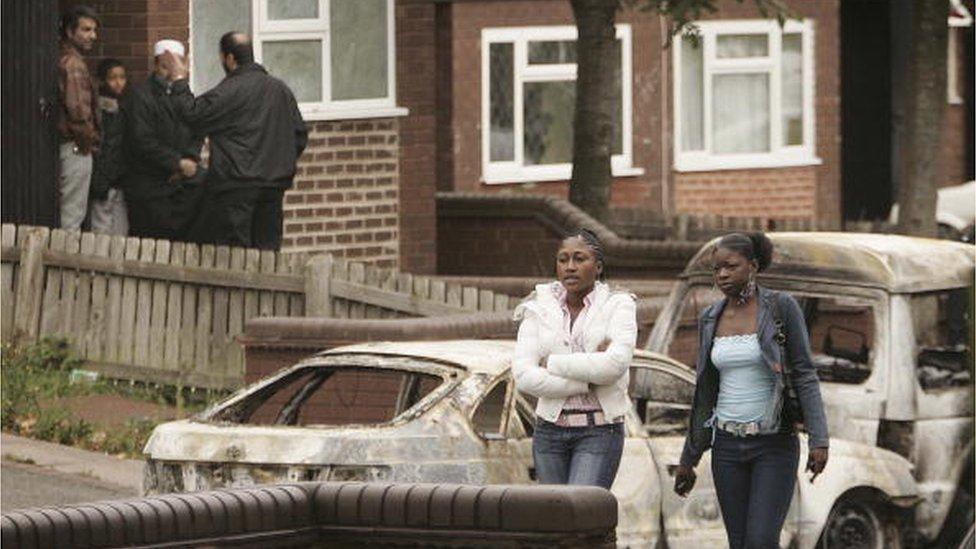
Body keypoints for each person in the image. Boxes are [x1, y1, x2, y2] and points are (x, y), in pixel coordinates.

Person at [673, 232, 829, 549]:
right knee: (739, 542)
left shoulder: (780, 309)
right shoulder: (710, 318)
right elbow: (705, 392)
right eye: (716, 269)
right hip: (727, 447)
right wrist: (689, 458)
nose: (722, 275)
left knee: (760, 541)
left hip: (773, 444)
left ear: (753, 266)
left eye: (731, 267)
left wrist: (819, 438)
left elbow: (804, 373)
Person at [159, 31, 308, 250]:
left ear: (229, 58)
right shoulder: (281, 90)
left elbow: (194, 115)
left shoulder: (231, 90)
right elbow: (299, 135)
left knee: (235, 254)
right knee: (268, 251)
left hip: (237, 186)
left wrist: (180, 79)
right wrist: (278, 163)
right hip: (274, 185)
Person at [512, 229, 637, 489]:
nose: (570, 267)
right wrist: (584, 381)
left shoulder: (619, 305)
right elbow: (523, 376)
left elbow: (613, 366)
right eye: (563, 259)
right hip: (549, 431)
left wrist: (552, 363)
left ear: (598, 266)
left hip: (599, 431)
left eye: (580, 259)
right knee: (556, 520)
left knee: (583, 513)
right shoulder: (538, 307)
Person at [123, 40, 205, 241]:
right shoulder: (140, 96)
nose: (169, 73)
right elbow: (142, 140)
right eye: (164, 67)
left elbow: (197, 129)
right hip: (150, 185)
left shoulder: (184, 95)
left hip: (181, 185)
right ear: (155, 65)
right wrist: (177, 162)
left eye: (174, 66)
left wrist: (189, 161)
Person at [57, 5, 100, 230]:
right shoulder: (73, 63)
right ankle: (61, 264)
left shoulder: (62, 57)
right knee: (72, 217)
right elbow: (79, 111)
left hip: (67, 145)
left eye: (94, 30)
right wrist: (88, 143)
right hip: (75, 146)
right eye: (86, 30)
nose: (93, 35)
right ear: (69, 31)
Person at [88, 58, 129, 235]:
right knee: (101, 232)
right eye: (113, 78)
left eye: (122, 77)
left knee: (120, 231)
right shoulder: (101, 110)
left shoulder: (123, 107)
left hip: (118, 180)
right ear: (103, 81)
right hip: (104, 180)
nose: (118, 82)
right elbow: (105, 147)